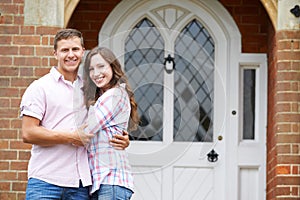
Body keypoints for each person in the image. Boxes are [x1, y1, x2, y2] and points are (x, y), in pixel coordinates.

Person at [20, 29, 130, 200]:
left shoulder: (90, 87)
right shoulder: (40, 87)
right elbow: (28, 133)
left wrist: (122, 137)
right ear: (55, 53)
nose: (70, 55)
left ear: (82, 51)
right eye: (64, 50)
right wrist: (70, 137)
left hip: (81, 185)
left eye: (75, 49)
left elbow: (109, 118)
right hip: (46, 182)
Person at [82, 46, 139, 200]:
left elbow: (88, 129)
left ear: (113, 67)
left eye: (101, 66)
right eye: (91, 69)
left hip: (112, 180)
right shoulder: (101, 96)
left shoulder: (115, 95)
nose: (96, 73)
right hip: (100, 180)